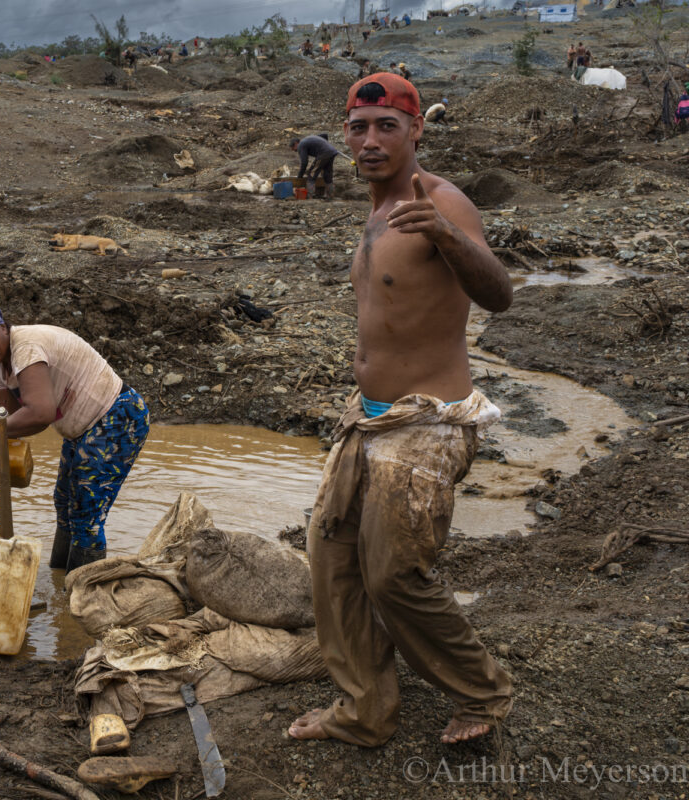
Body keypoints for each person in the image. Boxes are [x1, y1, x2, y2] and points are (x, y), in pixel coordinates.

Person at [288, 73, 514, 747]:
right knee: (331, 557)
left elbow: (499, 294)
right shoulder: (375, 209)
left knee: (392, 575)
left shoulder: (440, 202)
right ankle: (364, 711)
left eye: (388, 125)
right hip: (371, 416)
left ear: (417, 129)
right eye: (358, 127)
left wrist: (448, 236)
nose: (370, 139)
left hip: (427, 423)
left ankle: (481, 693)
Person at [0, 298, 149, 573]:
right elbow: (7, 429)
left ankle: (83, 600)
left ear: (2, 326)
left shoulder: (26, 346)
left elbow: (39, 414)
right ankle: (61, 586)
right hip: (82, 431)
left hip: (119, 416)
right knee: (64, 502)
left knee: (86, 512)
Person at [291, 135, 340, 200]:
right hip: (332, 152)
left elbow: (304, 162)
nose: (295, 151)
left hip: (323, 153)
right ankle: (330, 196)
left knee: (311, 174)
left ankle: (310, 197)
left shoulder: (301, 145)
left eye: (293, 149)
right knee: (327, 175)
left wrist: (300, 176)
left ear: (296, 143)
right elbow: (324, 135)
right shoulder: (308, 139)